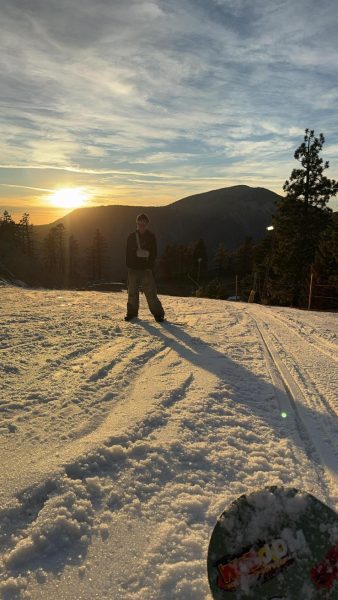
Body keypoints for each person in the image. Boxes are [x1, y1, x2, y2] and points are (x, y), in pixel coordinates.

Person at [125, 213, 165, 322]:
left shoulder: (150, 237)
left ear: (147, 224)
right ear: (137, 223)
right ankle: (132, 313)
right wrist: (129, 265)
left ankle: (158, 314)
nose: (142, 225)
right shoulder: (131, 237)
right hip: (134, 269)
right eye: (140, 222)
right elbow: (128, 252)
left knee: (151, 293)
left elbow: (154, 253)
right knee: (132, 293)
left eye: (144, 223)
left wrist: (149, 267)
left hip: (146, 270)